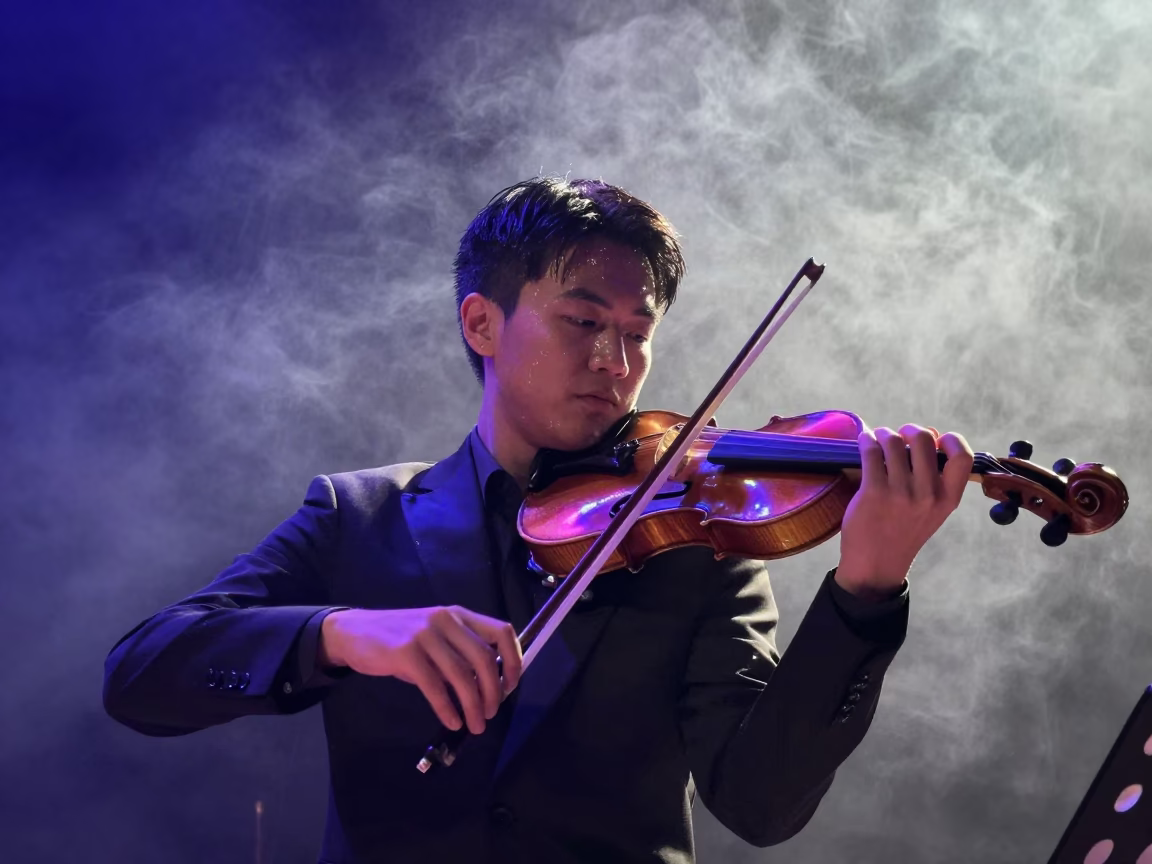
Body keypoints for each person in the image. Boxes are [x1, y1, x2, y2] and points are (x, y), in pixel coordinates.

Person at [103, 177, 974, 864]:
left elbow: (760, 804)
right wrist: (346, 634)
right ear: (483, 322)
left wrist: (866, 590)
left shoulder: (695, 541)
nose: (616, 361)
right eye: (584, 321)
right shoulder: (359, 514)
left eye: (639, 333)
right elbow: (142, 674)